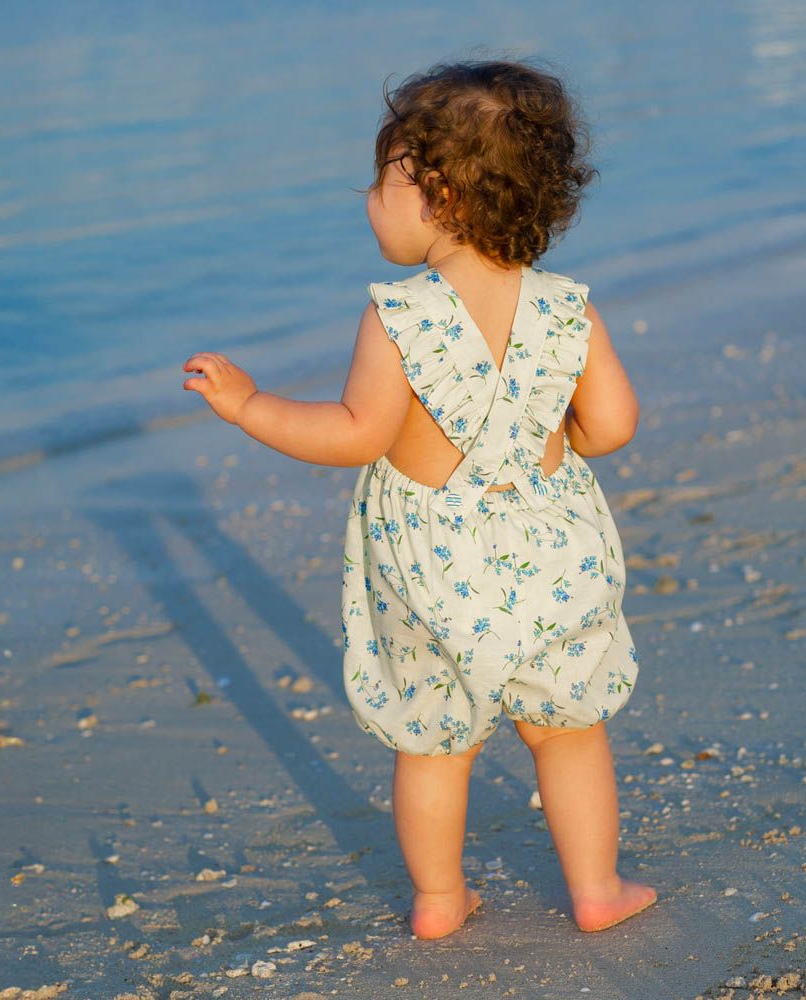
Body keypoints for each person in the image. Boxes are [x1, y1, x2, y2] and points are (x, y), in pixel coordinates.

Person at [182, 57, 656, 942]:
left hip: (433, 562)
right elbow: (616, 424)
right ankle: (595, 889)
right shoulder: (569, 310)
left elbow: (355, 434)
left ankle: (440, 900)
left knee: (435, 741)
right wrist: (559, 447)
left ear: (435, 191)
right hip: (555, 552)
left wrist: (249, 406)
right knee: (567, 732)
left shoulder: (399, 317)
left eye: (380, 179)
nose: (368, 198)